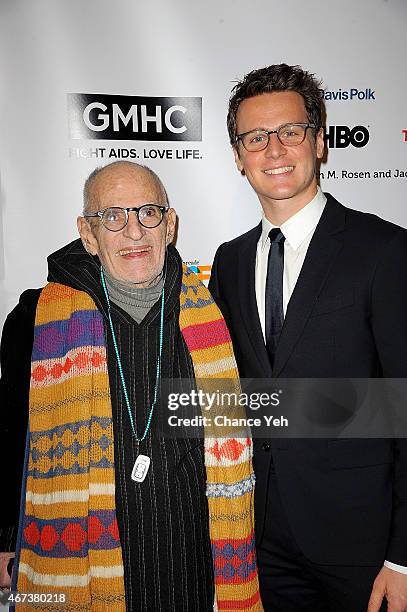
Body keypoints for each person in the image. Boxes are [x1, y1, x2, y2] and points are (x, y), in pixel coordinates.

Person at [0, 161, 262, 611]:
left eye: (148, 213)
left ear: (170, 224)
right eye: (113, 217)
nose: (134, 232)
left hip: (193, 569)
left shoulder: (214, 318)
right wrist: (5, 536)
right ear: (87, 233)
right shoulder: (35, 321)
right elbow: (9, 437)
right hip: (79, 559)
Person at [209, 64, 407, 612]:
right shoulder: (228, 261)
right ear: (237, 154)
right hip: (260, 539)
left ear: (320, 141)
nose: (274, 149)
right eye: (256, 137)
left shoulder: (384, 251)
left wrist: (403, 557)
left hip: (364, 548)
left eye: (290, 131)